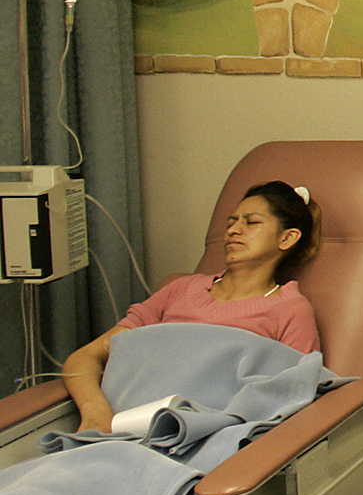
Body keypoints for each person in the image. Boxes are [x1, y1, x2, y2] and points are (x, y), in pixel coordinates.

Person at [61, 180, 321, 433]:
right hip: (129, 425)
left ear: (287, 238)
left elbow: (293, 396)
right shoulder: (180, 290)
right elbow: (84, 358)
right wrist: (96, 412)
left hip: (212, 435)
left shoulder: (290, 310)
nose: (232, 230)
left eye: (251, 222)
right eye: (231, 222)